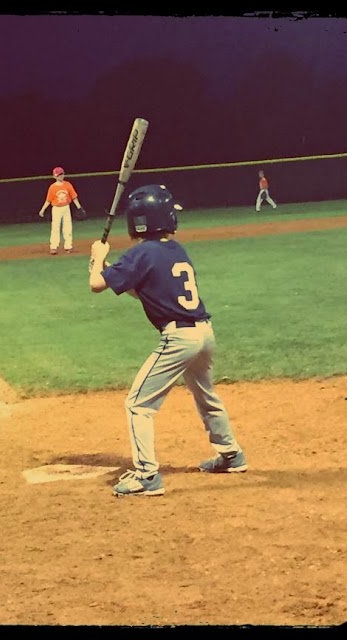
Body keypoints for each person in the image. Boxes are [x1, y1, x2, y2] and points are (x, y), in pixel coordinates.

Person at [89, 184, 248, 497]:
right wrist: (109, 270)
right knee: (205, 394)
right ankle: (231, 454)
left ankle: (147, 475)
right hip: (204, 333)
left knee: (137, 405)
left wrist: (98, 259)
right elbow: (146, 292)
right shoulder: (175, 250)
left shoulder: (141, 252)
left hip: (180, 338)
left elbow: (95, 285)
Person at [38, 167, 86, 255]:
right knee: (55, 228)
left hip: (66, 207)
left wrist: (79, 207)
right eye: (58, 175)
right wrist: (43, 209)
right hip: (56, 209)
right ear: (54, 176)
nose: (61, 176)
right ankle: (53, 247)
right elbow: (48, 200)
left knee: (68, 227)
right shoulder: (52, 187)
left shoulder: (68, 185)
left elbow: (74, 197)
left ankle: (68, 246)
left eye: (62, 174)